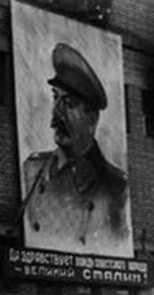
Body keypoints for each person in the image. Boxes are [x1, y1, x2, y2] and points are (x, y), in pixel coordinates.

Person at [22, 43, 130, 256]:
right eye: (56, 98)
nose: (56, 113)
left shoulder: (116, 188)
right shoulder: (32, 170)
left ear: (92, 119)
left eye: (69, 104)